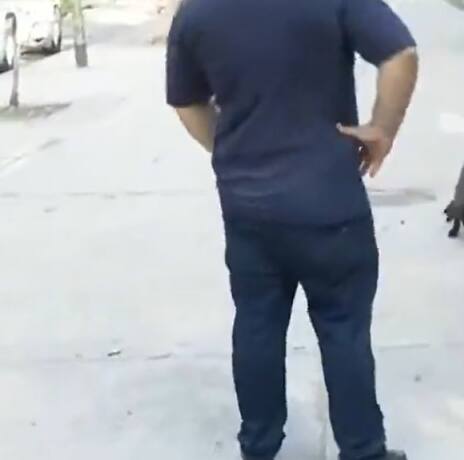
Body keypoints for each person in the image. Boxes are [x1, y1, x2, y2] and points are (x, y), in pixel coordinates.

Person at [164, 0, 418, 458]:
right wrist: (383, 128)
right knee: (344, 330)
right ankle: (363, 449)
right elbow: (400, 54)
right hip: (330, 204)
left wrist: (231, 148)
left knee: (257, 326)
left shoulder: (196, 10)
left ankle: (259, 447)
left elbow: (186, 102)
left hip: (248, 208)